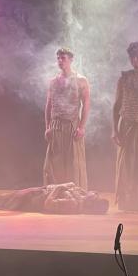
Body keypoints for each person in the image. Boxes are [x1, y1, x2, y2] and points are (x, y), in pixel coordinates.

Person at [113, 41, 138, 212]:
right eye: (132, 57)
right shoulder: (124, 78)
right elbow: (116, 105)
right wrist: (114, 130)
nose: (135, 60)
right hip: (127, 125)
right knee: (126, 164)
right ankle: (127, 202)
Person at [43, 47, 90, 188]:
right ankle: (55, 194)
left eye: (63, 58)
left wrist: (81, 127)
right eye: (58, 58)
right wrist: (47, 127)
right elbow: (48, 106)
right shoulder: (53, 82)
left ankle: (75, 195)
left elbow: (86, 105)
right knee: (54, 164)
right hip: (56, 126)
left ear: (71, 60)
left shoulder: (81, 80)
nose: (60, 61)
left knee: (73, 164)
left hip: (72, 126)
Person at [0, 183, 108, 214]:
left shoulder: (73, 204)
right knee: (14, 195)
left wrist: (59, 187)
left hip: (37, 201)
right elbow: (86, 192)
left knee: (13, 201)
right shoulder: (82, 197)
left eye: (96, 196)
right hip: (41, 192)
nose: (94, 193)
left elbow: (49, 204)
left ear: (91, 203)